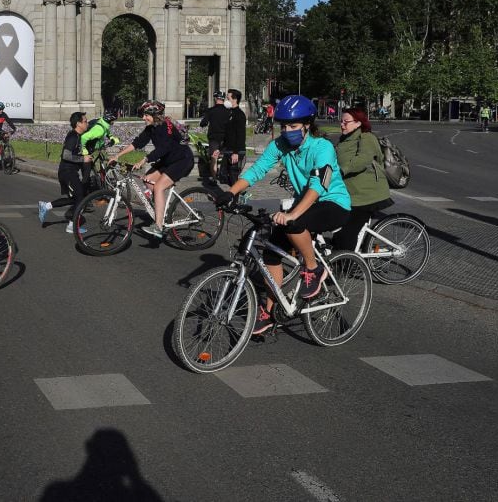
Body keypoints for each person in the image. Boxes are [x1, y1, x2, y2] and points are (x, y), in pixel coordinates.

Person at [217, 95, 350, 334]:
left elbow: (319, 184)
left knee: (294, 222)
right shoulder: (280, 145)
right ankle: (269, 311)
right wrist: (232, 192)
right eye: (284, 126)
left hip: (333, 203)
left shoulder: (323, 147)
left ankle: (313, 269)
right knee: (270, 253)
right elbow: (258, 169)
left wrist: (292, 214)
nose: (287, 131)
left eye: (293, 126)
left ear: (307, 125)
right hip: (304, 204)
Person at [111, 99, 195, 240]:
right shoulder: (151, 127)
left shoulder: (164, 127)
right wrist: (117, 155)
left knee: (159, 188)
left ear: (155, 115)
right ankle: (163, 212)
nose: (143, 118)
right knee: (148, 180)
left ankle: (158, 226)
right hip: (168, 160)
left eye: (146, 115)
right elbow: (138, 142)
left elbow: (163, 148)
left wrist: (144, 160)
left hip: (182, 160)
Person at [332, 108, 393, 252]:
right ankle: (342, 257)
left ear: (358, 123)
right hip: (351, 194)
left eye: (346, 122)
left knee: (347, 233)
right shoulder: (344, 139)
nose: (342, 124)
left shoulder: (366, 137)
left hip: (367, 196)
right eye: (341, 121)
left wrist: (342, 170)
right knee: (338, 229)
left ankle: (348, 266)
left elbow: (363, 159)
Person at [38, 112, 93, 234]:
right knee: (79, 196)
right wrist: (82, 159)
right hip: (67, 172)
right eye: (85, 121)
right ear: (78, 123)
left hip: (69, 172)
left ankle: (46, 206)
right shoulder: (73, 136)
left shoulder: (79, 136)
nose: (87, 123)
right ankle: (71, 226)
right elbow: (66, 155)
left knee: (76, 198)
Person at [78, 109, 120, 187]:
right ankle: (84, 188)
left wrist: (111, 137)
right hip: (88, 147)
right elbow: (83, 137)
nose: (113, 122)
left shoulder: (102, 121)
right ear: (109, 120)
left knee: (98, 162)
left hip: (95, 145)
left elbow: (106, 130)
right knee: (87, 168)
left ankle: (98, 180)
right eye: (113, 120)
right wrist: (84, 149)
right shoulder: (99, 130)